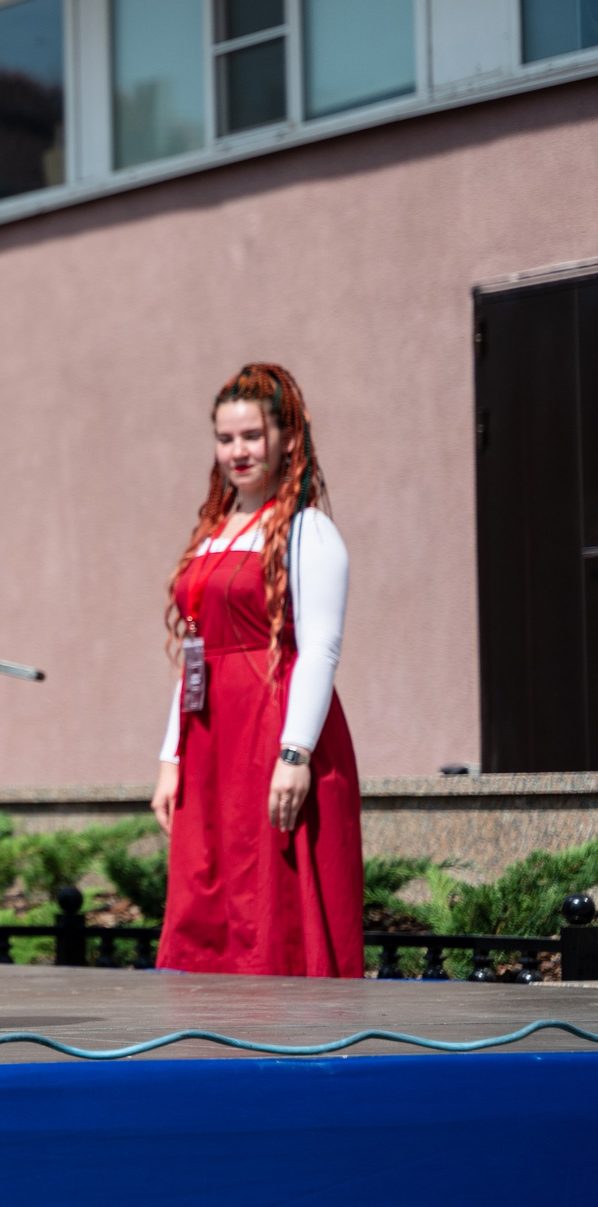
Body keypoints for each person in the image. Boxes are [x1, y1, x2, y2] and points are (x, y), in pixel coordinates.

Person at [151, 363, 362, 976]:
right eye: (225, 439)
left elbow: (321, 647)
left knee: (271, 894)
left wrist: (295, 755)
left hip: (274, 734)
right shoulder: (213, 535)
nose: (237, 452)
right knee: (207, 898)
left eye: (251, 436)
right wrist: (170, 759)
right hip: (210, 743)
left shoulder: (307, 530)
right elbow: (197, 650)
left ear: (287, 438)